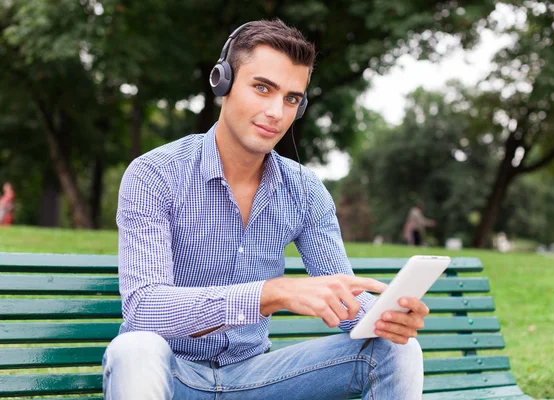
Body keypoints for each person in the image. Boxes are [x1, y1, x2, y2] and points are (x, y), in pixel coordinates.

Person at [103, 19, 428, 400]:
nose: (276, 111)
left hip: (257, 380)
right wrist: (269, 294)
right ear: (222, 83)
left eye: (291, 98)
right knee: (134, 348)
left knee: (397, 349)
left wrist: (388, 317)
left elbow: (344, 299)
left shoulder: (305, 190)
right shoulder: (154, 174)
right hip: (172, 376)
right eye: (262, 88)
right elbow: (144, 309)